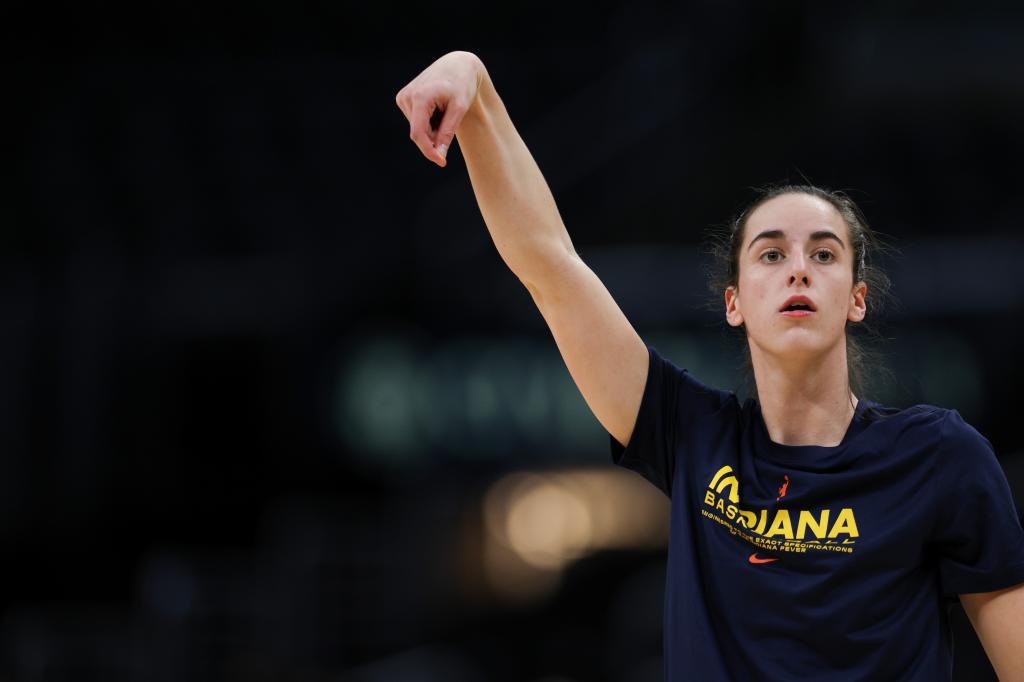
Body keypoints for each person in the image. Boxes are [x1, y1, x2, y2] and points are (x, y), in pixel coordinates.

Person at [395, 50, 1024, 681]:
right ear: (735, 303)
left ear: (857, 299)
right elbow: (549, 262)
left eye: (825, 254)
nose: (799, 267)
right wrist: (473, 82)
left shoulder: (940, 456)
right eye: (771, 254)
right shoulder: (692, 435)